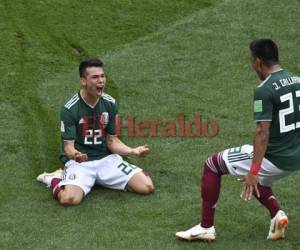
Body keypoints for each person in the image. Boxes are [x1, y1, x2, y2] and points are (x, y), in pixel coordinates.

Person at [176, 38, 300, 241]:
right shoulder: (297, 80)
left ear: (258, 61)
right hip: (296, 156)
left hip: (277, 158)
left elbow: (262, 132)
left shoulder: (264, 90)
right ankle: (277, 214)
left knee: (213, 164)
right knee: (257, 173)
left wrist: (253, 171)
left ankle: (206, 227)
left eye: (252, 60)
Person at [37, 58, 154, 205]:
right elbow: (68, 147)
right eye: (95, 77)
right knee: (69, 199)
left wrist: (133, 151)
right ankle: (55, 178)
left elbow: (112, 141)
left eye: (102, 76)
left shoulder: (110, 103)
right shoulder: (70, 108)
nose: (101, 81)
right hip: (80, 164)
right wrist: (76, 155)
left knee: (147, 187)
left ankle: (94, 180)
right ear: (84, 81)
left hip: (106, 160)